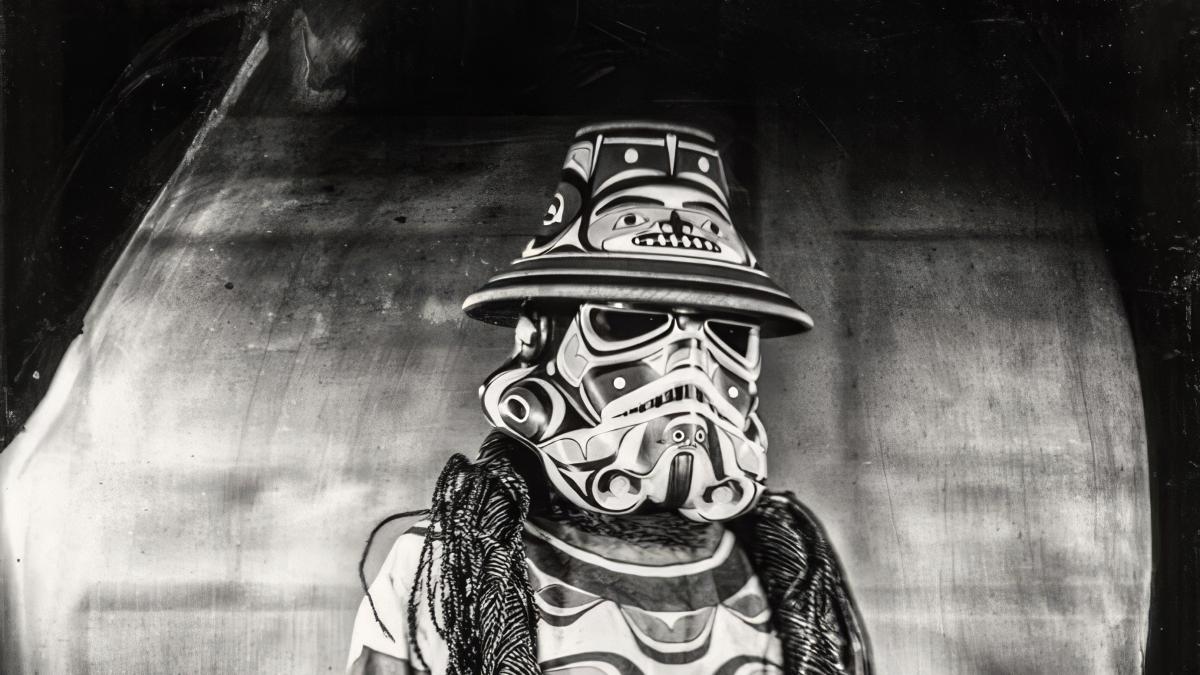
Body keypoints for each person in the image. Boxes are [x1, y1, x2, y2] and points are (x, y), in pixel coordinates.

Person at [347, 121, 872, 675]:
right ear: (537, 337)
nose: (690, 364)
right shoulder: (448, 561)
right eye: (635, 322)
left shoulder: (786, 569)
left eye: (727, 332)